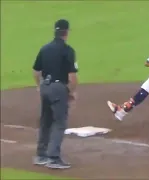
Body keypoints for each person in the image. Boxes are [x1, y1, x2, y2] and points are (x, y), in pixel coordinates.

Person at [32, 19, 78, 169]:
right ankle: (53, 158)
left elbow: (36, 71)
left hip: (45, 86)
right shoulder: (68, 50)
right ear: (66, 32)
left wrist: (39, 86)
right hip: (58, 88)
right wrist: (71, 92)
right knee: (59, 123)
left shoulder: (45, 48)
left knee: (45, 121)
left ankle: (41, 155)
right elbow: (72, 76)